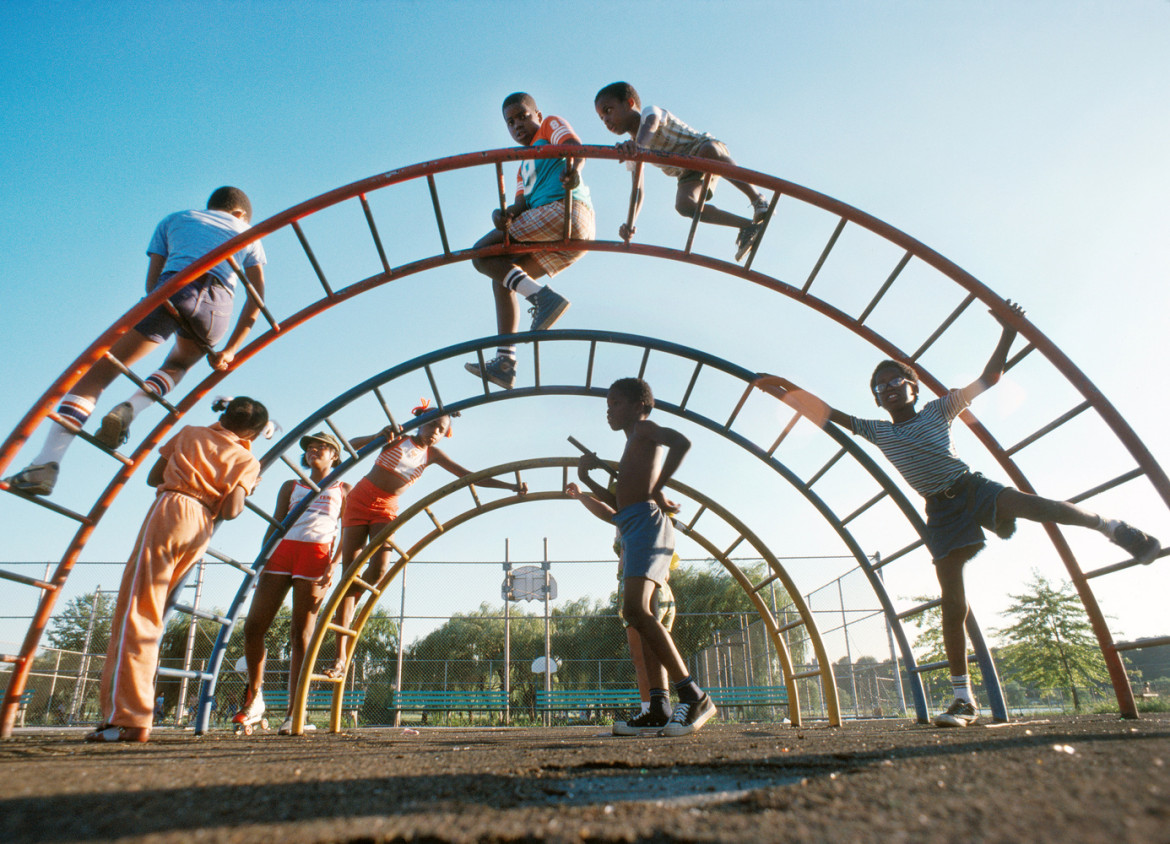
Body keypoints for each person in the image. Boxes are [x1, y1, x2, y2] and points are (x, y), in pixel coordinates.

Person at [754, 301, 1161, 728]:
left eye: (896, 381)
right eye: (881, 387)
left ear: (913, 387)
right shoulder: (879, 430)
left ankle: (1111, 527)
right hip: (941, 511)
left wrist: (1008, 330)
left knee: (1038, 506)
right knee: (952, 601)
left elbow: (990, 379)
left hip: (971, 488)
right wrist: (782, 388)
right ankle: (963, 699)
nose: (889, 388)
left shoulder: (939, 409)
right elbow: (826, 415)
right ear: (877, 399)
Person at [6, 187, 267, 497]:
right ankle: (130, 407)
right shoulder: (248, 232)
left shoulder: (176, 219)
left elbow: (151, 283)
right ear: (241, 214)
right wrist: (231, 348)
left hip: (175, 288)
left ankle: (46, 463)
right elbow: (257, 298)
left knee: (98, 373)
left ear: (211, 206)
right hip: (218, 308)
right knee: (178, 363)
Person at [86, 396, 268, 742]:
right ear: (255, 434)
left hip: (172, 508)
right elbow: (231, 510)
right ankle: (133, 713)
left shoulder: (190, 433)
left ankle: (129, 716)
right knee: (154, 612)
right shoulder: (248, 459)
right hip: (201, 524)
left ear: (225, 415)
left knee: (136, 611)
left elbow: (154, 477)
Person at [327, 401, 528, 676]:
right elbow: (350, 445)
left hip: (386, 507)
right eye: (432, 424)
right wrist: (378, 436)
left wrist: (510, 485)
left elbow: (469, 476)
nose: (435, 431)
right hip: (360, 499)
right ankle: (340, 658)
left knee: (378, 571)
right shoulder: (396, 438)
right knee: (348, 573)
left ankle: (350, 597)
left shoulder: (432, 454)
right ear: (421, 422)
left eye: (441, 429)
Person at [575, 377, 717, 736]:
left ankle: (694, 695)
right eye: (607, 404)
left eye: (616, 402)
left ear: (640, 404)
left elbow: (682, 442)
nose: (609, 409)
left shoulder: (645, 429)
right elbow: (618, 505)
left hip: (647, 525)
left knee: (635, 609)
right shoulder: (632, 444)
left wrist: (657, 487)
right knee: (639, 615)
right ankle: (658, 706)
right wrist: (586, 479)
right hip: (633, 522)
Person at [464, 92, 595, 390]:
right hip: (561, 233)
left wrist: (572, 170)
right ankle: (505, 362)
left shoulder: (549, 126)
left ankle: (543, 298)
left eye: (523, 116)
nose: (518, 125)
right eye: (510, 122)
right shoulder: (522, 166)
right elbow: (519, 208)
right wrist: (502, 216)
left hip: (565, 211)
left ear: (538, 114)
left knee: (481, 253)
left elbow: (575, 148)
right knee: (503, 278)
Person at [234, 431, 351, 736]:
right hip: (282, 553)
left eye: (322, 447)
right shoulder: (291, 485)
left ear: (334, 454)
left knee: (301, 635)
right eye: (310, 447)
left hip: (316, 555)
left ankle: (294, 712)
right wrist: (261, 560)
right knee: (253, 626)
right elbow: (275, 523)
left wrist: (334, 564)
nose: (314, 450)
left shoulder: (343, 488)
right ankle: (255, 697)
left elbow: (349, 533)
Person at [594, 82, 769, 262]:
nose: (606, 120)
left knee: (709, 151)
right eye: (601, 117)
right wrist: (630, 224)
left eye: (608, 110)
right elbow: (637, 190)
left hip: (703, 149)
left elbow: (651, 126)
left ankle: (758, 199)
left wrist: (637, 147)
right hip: (687, 172)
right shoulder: (632, 150)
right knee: (684, 204)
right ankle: (748, 227)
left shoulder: (649, 114)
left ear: (629, 103)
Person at [566, 478, 679, 735]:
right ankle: (649, 708)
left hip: (649, 587)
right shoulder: (628, 518)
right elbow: (608, 511)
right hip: (628, 585)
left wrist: (586, 488)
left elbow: (613, 511)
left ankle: (663, 706)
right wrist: (583, 495)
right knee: (639, 655)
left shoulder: (650, 517)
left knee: (652, 651)